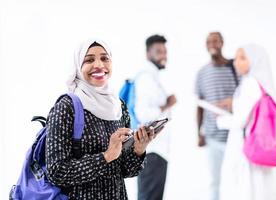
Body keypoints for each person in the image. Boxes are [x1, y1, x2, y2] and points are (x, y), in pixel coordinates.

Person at [45, 39, 157, 200]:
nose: (99, 65)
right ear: (78, 66)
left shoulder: (118, 106)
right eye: (89, 60)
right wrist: (106, 156)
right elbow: (56, 172)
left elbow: (126, 171)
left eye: (105, 58)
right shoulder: (66, 107)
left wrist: (139, 149)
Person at [219, 44, 276, 200]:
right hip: (257, 148)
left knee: (245, 189)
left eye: (242, 58)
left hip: (245, 149)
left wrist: (220, 120)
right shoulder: (262, 84)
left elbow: (239, 121)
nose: (235, 62)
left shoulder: (250, 83)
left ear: (254, 61)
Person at [195, 32, 238, 200]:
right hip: (212, 136)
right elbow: (199, 106)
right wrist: (199, 133)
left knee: (236, 179)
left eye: (215, 40)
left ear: (222, 43)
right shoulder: (202, 73)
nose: (212, 44)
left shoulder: (235, 68)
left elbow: (245, 97)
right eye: (208, 41)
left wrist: (231, 103)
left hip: (235, 136)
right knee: (214, 181)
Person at [135, 34, 177, 200]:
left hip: (155, 151)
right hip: (152, 151)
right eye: (158, 51)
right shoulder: (146, 77)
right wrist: (168, 103)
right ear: (148, 54)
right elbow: (144, 114)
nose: (163, 55)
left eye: (165, 51)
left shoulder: (151, 76)